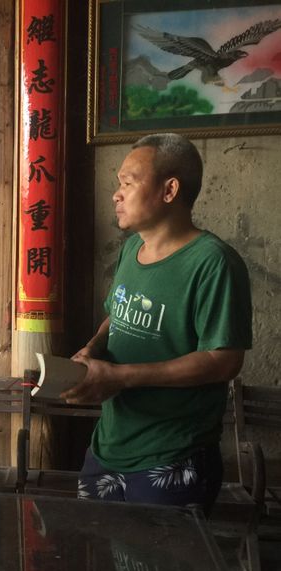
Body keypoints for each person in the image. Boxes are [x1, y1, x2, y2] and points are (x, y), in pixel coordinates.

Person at [62, 133, 252, 516]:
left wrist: (121, 377)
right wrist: (93, 348)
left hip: (172, 456)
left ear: (169, 190)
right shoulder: (132, 249)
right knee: (93, 548)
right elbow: (117, 313)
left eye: (128, 183)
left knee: (161, 556)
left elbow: (224, 361)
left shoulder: (213, 263)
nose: (116, 194)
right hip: (108, 447)